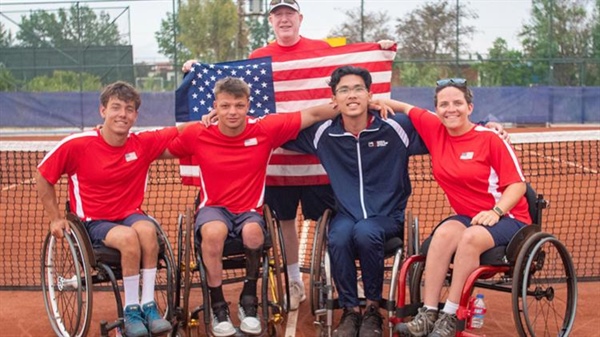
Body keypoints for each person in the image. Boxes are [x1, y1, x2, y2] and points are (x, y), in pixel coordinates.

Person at [181, 0, 395, 311]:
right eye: (278, 14)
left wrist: (380, 51)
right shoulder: (257, 57)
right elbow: (229, 90)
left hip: (320, 161)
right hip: (277, 159)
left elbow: (348, 82)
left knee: (330, 222)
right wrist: (197, 70)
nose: (284, 19)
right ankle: (294, 281)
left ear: (300, 18)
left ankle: (341, 277)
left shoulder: (323, 50)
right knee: (283, 223)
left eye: (289, 14)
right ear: (271, 20)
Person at [162, 76, 351, 337]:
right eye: (226, 105)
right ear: (215, 105)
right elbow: (159, 149)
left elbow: (313, 113)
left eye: (239, 105)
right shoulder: (198, 133)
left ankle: (248, 302)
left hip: (250, 210)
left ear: (248, 105)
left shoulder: (265, 129)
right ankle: (218, 307)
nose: (232, 112)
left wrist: (353, 103)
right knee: (214, 233)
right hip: (213, 208)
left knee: (254, 234)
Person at [282, 65, 428, 337]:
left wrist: (484, 127)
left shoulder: (396, 127)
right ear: (334, 99)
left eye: (358, 88)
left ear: (370, 95)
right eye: (344, 90)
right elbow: (279, 130)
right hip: (346, 215)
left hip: (387, 217)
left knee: (366, 231)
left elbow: (441, 126)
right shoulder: (323, 133)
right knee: (337, 236)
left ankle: (372, 309)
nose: (352, 95)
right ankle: (350, 311)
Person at [384, 78, 532, 337]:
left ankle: (452, 314)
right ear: (436, 110)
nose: (450, 109)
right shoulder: (433, 128)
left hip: (509, 217)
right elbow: (406, 108)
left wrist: (495, 212)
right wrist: (375, 102)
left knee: (469, 238)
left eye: (457, 103)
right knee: (442, 235)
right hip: (469, 216)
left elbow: (518, 186)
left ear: (470, 108)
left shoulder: (491, 139)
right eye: (443, 104)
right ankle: (428, 313)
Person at [36, 81, 185, 337]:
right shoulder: (77, 144)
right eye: (116, 107)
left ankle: (148, 306)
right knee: (128, 239)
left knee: (148, 232)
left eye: (129, 109)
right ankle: (130, 312)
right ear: (103, 110)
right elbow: (43, 176)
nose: (122, 114)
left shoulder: (142, 143)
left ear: (135, 116)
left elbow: (180, 131)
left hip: (130, 214)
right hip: (93, 221)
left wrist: (208, 120)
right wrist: (55, 219)